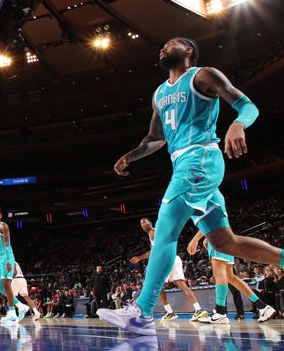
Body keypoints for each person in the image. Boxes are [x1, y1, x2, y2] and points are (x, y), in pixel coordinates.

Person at [98, 37, 284, 336]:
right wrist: (130, 156)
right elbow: (155, 137)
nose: (162, 48)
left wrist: (237, 125)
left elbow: (247, 105)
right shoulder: (160, 92)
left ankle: (142, 312)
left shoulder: (202, 75)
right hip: (185, 164)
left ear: (187, 51)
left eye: (170, 44)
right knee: (226, 243)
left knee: (165, 227)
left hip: (200, 158)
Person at [186, 232, 276, 324]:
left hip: (216, 238)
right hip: (227, 240)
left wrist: (195, 239)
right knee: (230, 277)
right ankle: (262, 306)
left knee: (219, 274)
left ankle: (220, 312)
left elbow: (207, 220)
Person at [129, 217, 208, 321]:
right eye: (141, 224)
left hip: (166, 260)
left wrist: (140, 258)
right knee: (181, 285)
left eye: (144, 222)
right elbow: (153, 252)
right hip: (174, 258)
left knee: (158, 286)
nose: (143, 225)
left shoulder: (154, 232)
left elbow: (157, 250)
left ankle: (169, 312)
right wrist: (139, 258)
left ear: (150, 223)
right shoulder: (151, 235)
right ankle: (198, 309)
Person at [0, 207, 29, 324]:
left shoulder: (3, 226)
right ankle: (21, 306)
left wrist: (7, 261)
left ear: (0, 216)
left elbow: (6, 243)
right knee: (0, 286)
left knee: (6, 285)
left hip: (7, 256)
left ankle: (12, 313)